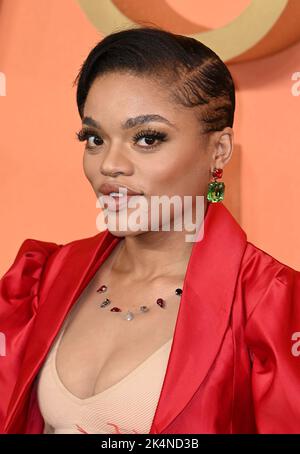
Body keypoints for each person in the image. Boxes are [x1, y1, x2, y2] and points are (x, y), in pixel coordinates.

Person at [0, 25, 299, 435]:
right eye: (94, 138)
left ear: (220, 149)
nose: (109, 165)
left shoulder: (274, 306)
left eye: (146, 138)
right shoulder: (44, 276)